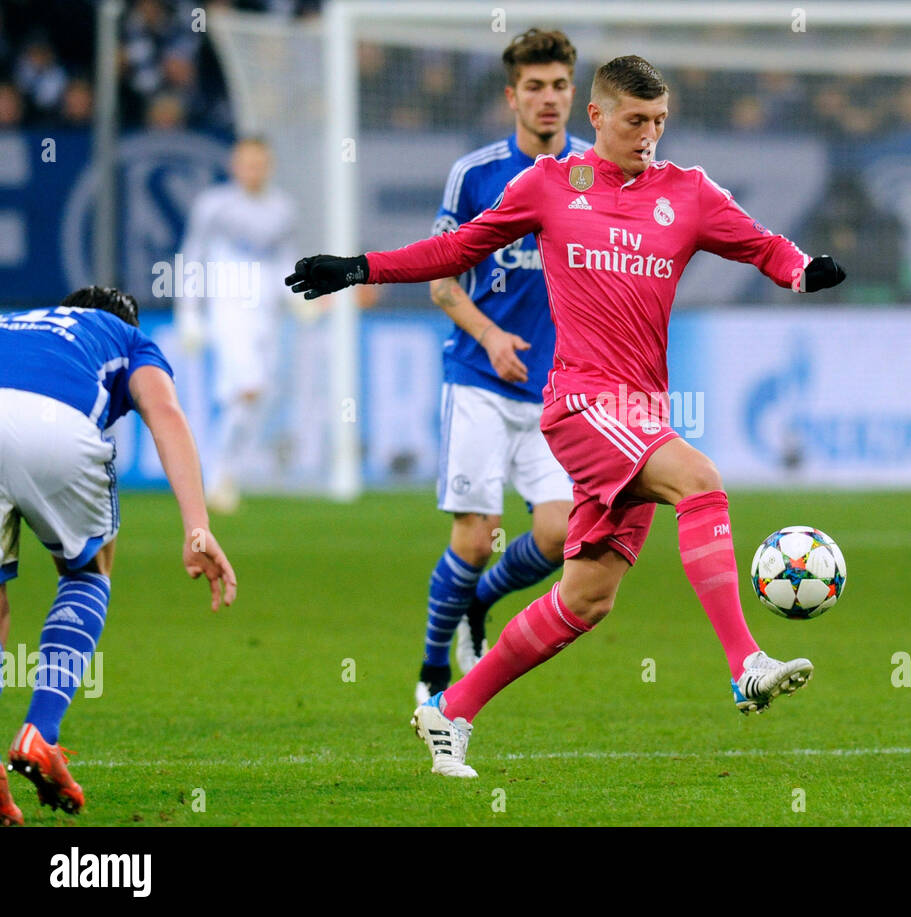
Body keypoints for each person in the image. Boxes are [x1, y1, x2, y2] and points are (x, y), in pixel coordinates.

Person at [286, 56, 846, 778]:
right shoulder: (552, 186)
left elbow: (762, 244)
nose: (649, 136)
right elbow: (459, 247)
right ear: (599, 117)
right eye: (636, 121)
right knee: (701, 481)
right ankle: (745, 663)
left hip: (640, 409)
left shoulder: (689, 192)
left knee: (586, 598)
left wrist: (803, 270)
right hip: (581, 400)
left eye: (659, 122)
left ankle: (449, 709)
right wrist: (361, 267)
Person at [0, 287, 236, 824]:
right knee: (88, 571)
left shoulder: (19, 319)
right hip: (53, 427)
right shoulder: (130, 338)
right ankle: (42, 732)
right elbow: (166, 413)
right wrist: (197, 527)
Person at [415, 29, 587, 706]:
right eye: (535, 87)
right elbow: (440, 280)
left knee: (562, 531)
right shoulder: (476, 175)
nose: (549, 99)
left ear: (575, 92)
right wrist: (489, 336)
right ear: (511, 96)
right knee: (477, 535)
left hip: (555, 391)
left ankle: (479, 604)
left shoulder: (595, 174)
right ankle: (432, 669)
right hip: (479, 379)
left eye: (560, 85)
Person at [175, 135, 299, 513]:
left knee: (256, 397)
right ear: (234, 165)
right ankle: (219, 477)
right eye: (247, 163)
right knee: (249, 388)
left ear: (269, 166)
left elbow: (284, 262)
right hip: (229, 311)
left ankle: (223, 473)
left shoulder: (283, 209)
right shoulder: (215, 206)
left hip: (267, 315)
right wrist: (189, 314)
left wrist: (298, 295)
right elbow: (192, 257)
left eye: (260, 163)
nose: (253, 170)